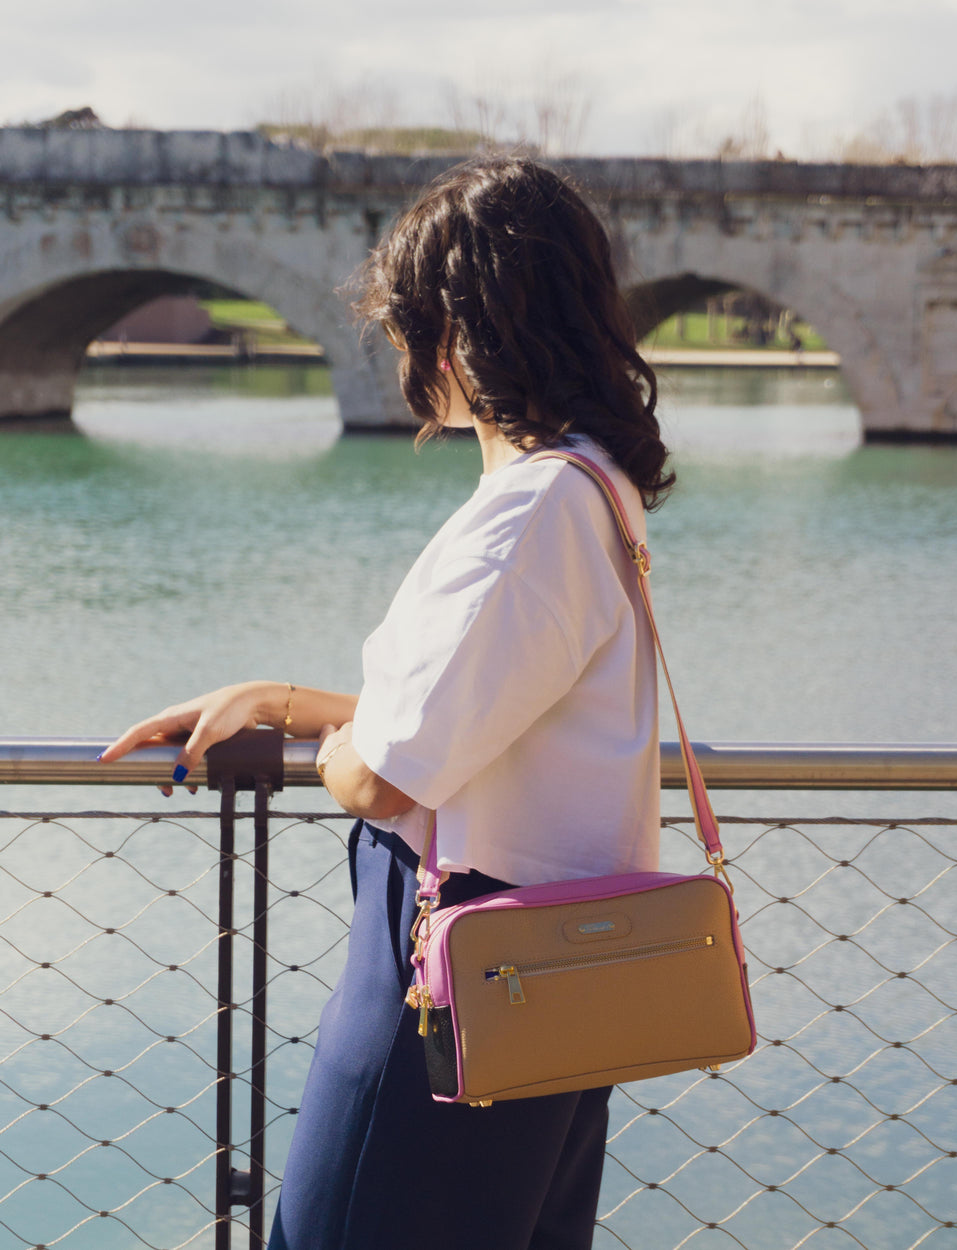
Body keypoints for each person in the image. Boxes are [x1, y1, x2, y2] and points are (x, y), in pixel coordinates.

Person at [100, 155, 676, 1250]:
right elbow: (485, 711)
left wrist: (333, 748)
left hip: (445, 1002)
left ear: (458, 335)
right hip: (551, 993)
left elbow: (387, 772)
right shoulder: (598, 488)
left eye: (413, 328)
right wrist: (280, 698)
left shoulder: (531, 511)